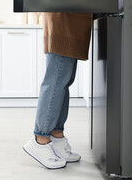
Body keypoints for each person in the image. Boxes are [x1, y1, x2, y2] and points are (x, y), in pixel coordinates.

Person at [23, 12, 92, 169]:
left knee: (64, 82)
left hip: (71, 21)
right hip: (63, 21)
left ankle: (57, 138)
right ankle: (41, 140)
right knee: (55, 81)